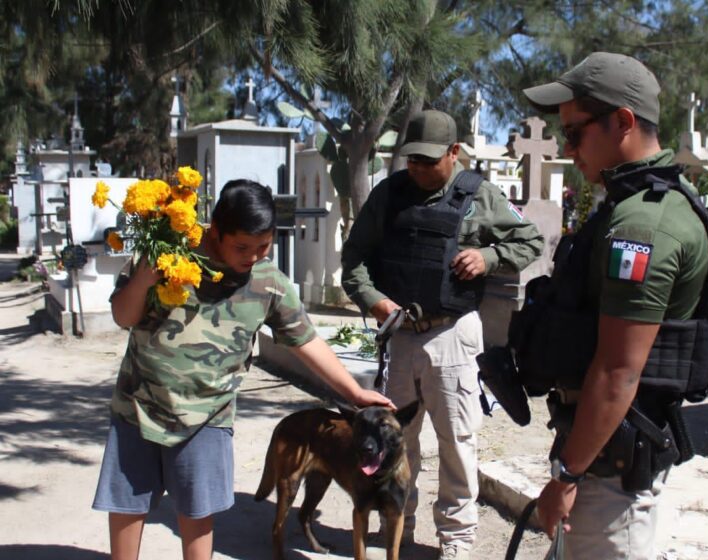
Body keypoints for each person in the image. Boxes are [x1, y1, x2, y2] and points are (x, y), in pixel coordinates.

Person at [92, 179, 393, 560]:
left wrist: (354, 392)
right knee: (127, 505)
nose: (252, 256)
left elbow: (305, 340)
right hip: (137, 409)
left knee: (197, 512)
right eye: (242, 247)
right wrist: (145, 276)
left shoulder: (268, 283)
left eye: (262, 247)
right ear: (215, 230)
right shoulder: (168, 255)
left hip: (207, 418)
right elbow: (123, 316)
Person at [523, 52, 708, 558]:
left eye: (575, 132)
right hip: (598, 457)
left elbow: (617, 371)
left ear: (623, 122)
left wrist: (566, 475)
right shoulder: (628, 207)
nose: (568, 148)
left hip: (610, 475)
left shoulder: (643, 226)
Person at [341, 110, 543, 560]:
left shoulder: (479, 195)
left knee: (456, 441)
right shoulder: (389, 194)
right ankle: (398, 527)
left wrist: (488, 257)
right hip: (400, 334)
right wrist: (375, 301)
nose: (416, 168)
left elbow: (530, 241)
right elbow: (354, 258)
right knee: (397, 441)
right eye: (411, 159)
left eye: (428, 160)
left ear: (454, 153)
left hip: (453, 334)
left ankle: (456, 539)